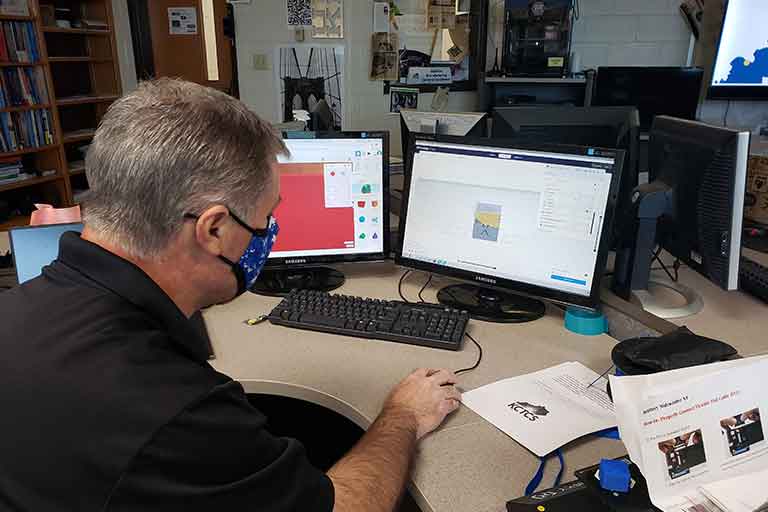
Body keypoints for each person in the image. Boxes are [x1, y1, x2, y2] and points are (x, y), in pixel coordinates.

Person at [0, 79, 461, 511]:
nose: (268, 234)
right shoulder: (175, 410)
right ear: (214, 229)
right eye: (266, 218)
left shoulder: (16, 311)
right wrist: (403, 415)